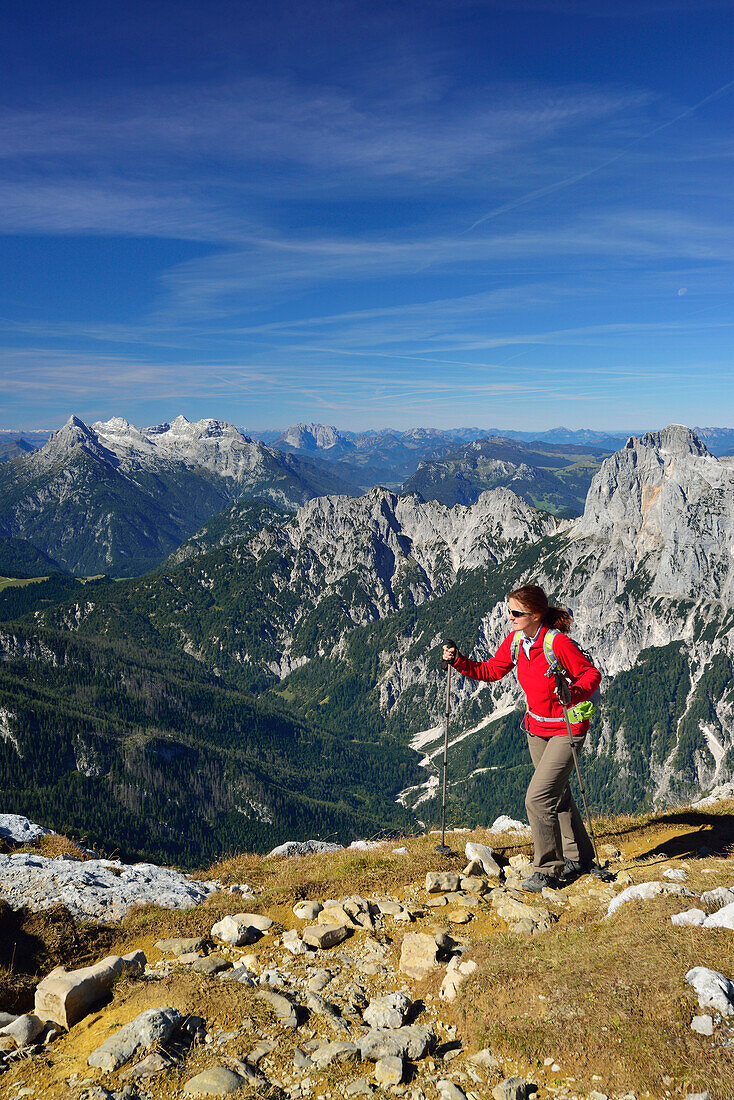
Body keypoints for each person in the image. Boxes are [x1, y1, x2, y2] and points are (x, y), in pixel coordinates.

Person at [442, 584, 601, 893]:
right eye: (509, 611)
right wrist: (459, 660)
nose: (510, 617)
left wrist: (574, 691)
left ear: (535, 615)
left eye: (516, 613)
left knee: (538, 798)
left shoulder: (557, 643)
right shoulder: (517, 642)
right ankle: (580, 858)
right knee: (558, 794)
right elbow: (491, 671)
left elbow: (590, 674)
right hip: (537, 729)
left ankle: (547, 870)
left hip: (567, 728)